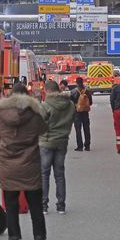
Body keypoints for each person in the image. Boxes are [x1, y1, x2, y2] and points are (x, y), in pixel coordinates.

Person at [0, 83, 52, 240]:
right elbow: (43, 130)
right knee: (36, 208)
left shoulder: (0, 115)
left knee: (11, 208)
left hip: (8, 168)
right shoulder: (34, 114)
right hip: (30, 166)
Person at [39, 80, 75, 214]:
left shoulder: (45, 105)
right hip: (62, 141)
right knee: (59, 174)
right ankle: (61, 206)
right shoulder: (70, 104)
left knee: (44, 174)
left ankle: (43, 206)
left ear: (47, 91)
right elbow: (72, 120)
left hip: (47, 142)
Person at [71, 77, 93, 151]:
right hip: (85, 112)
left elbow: (70, 103)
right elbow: (90, 102)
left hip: (77, 112)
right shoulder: (87, 91)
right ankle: (87, 145)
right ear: (82, 82)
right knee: (86, 128)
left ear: (76, 82)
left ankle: (80, 146)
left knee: (78, 129)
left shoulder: (73, 91)